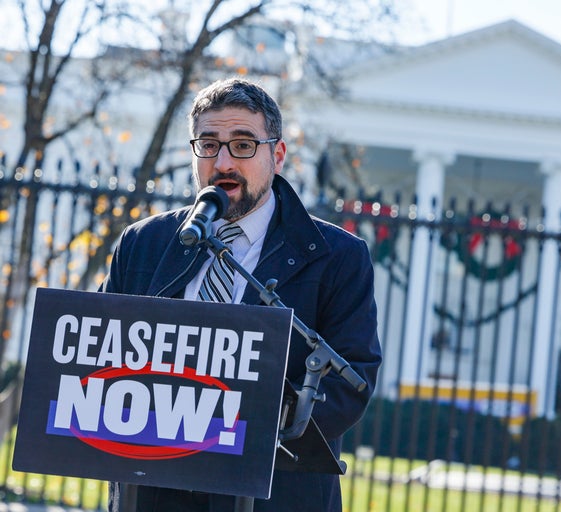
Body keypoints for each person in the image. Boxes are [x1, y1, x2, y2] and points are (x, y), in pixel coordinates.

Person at [101, 77, 382, 511]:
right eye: (209, 144)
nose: (224, 161)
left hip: (273, 493)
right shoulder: (142, 243)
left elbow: (352, 380)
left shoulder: (338, 256)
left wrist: (237, 433)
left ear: (278, 155)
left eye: (244, 145)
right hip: (153, 492)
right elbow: (102, 353)